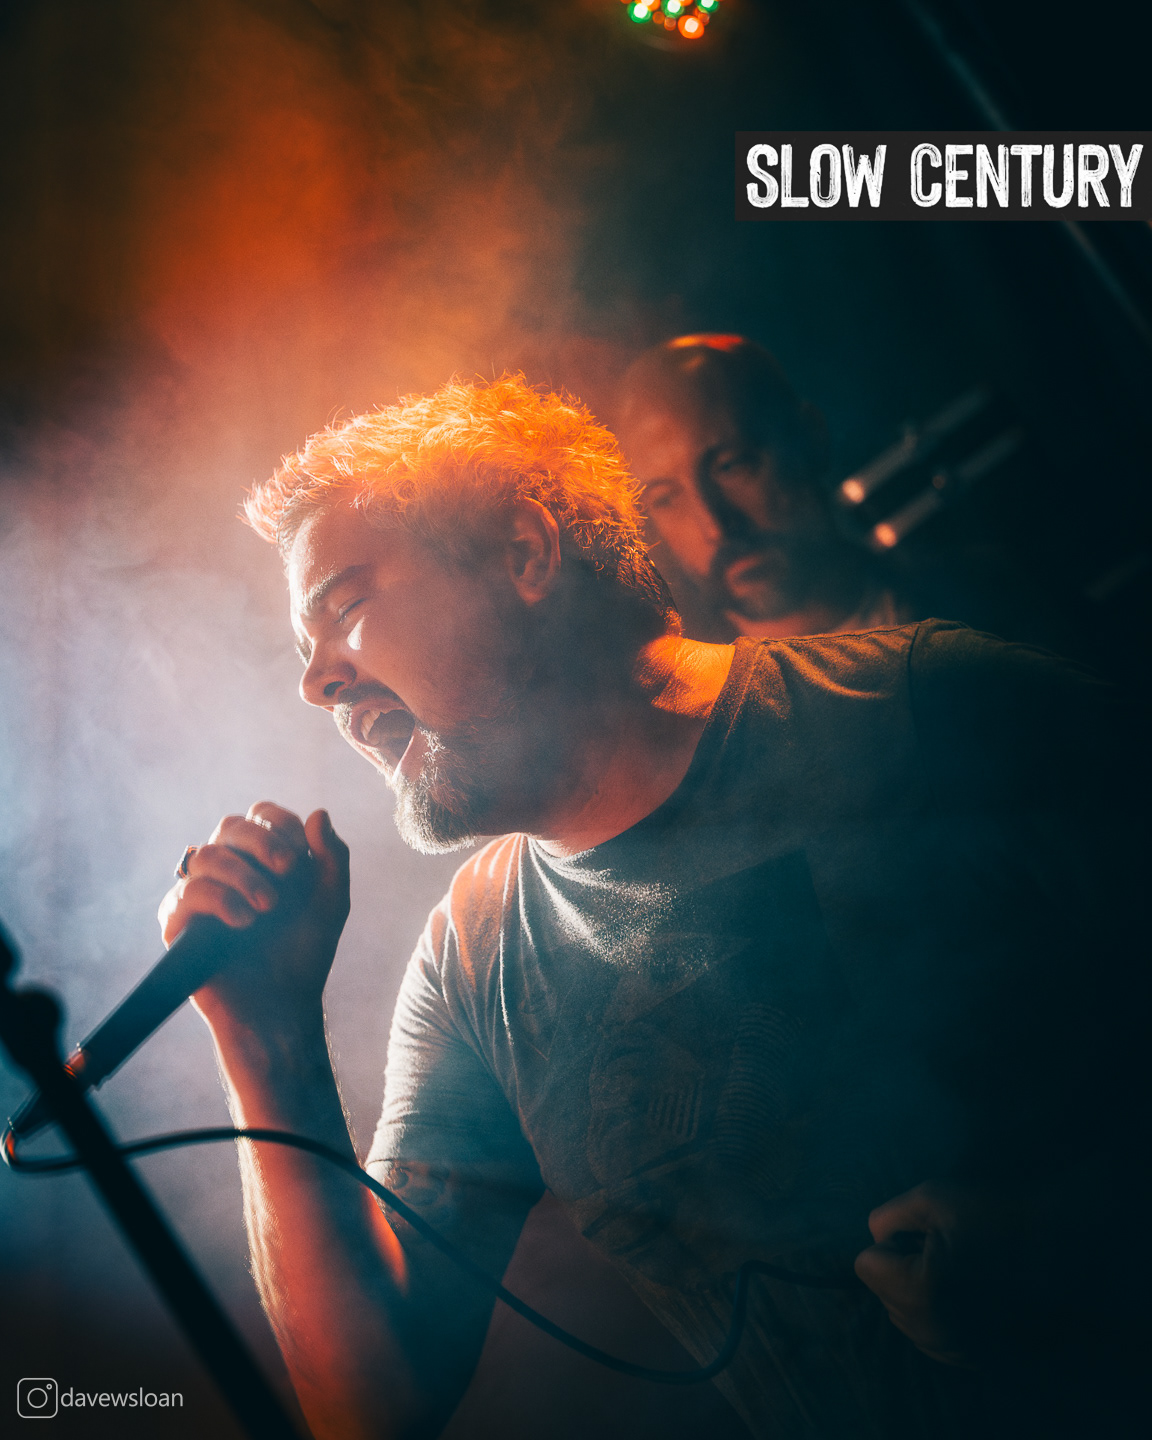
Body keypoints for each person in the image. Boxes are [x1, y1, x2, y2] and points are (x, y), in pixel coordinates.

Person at [159, 376, 1146, 1440]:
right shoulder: (472, 961)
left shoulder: (932, 706)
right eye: (305, 648)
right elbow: (372, 1405)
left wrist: (1080, 1240)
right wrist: (265, 1042)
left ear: (526, 554)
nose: (318, 682)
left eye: (345, 608)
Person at [616, 334, 911, 642]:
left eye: (731, 466)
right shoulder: (662, 671)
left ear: (811, 437)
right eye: (665, 498)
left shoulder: (942, 614)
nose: (715, 528)